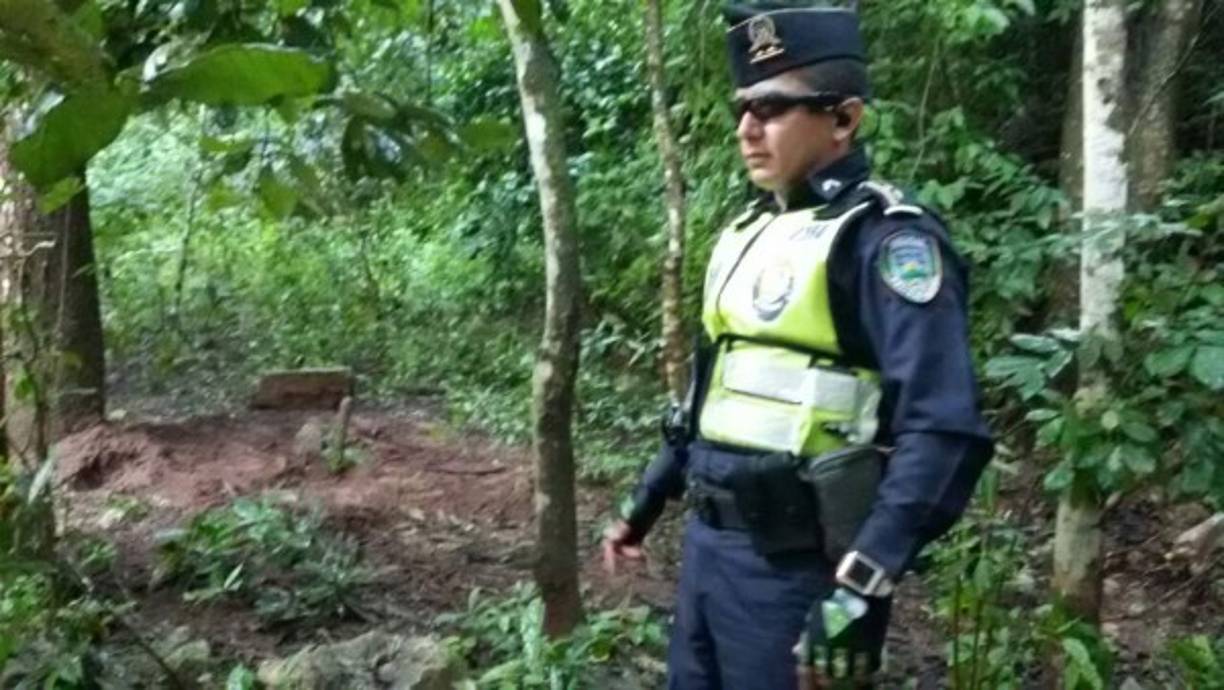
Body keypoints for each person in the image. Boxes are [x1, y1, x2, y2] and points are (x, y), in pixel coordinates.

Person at [602, 3, 994, 689]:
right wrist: (647, 500)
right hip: (707, 550)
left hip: (798, 566)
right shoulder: (748, 232)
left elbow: (943, 428)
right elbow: (711, 386)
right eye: (743, 108)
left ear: (843, 119)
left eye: (773, 109)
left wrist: (865, 583)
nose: (746, 129)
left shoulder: (888, 243)